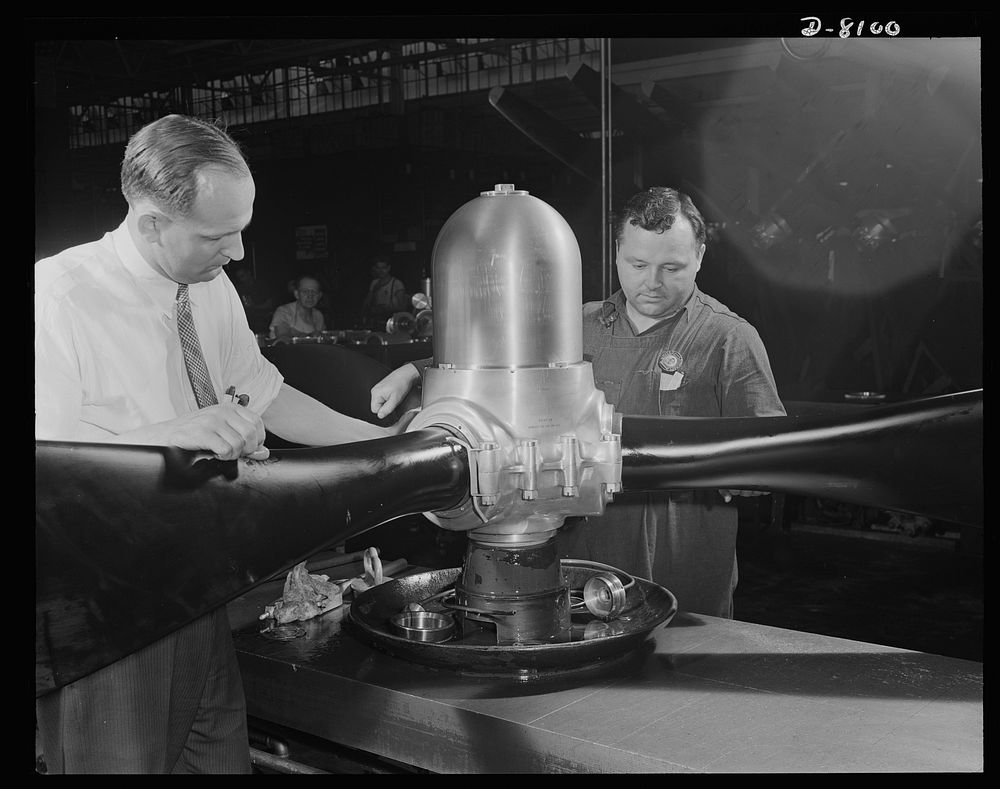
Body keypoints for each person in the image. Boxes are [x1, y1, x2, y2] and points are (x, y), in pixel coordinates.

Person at [34, 113, 402, 774]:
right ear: (150, 223)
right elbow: (49, 471)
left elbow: (268, 395)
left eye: (242, 228)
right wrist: (169, 436)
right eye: (218, 235)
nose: (236, 253)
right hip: (113, 613)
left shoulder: (210, 288)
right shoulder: (58, 300)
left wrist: (384, 444)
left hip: (203, 586)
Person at [369, 186, 786, 619]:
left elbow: (771, 455)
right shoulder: (576, 325)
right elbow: (497, 366)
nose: (652, 282)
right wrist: (414, 371)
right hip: (579, 573)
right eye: (637, 264)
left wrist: (751, 468)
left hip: (681, 575)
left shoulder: (728, 339)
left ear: (700, 255)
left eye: (672, 267)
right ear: (617, 251)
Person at [268, 274, 326, 340]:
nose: (310, 296)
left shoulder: (318, 316)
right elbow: (283, 338)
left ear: (319, 295)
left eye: (314, 292)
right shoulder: (284, 311)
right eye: (305, 291)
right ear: (296, 294)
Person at [360, 257, 408, 330]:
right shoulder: (374, 283)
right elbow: (366, 304)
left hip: (391, 322)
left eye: (383, 268)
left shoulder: (397, 284)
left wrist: (386, 309)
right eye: (378, 268)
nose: (381, 271)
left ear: (389, 268)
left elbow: (403, 307)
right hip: (377, 321)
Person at [229, 264, 274, 334]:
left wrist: (254, 306)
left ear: (248, 273)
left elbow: (269, 305)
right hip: (247, 320)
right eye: (239, 277)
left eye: (242, 276)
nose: (241, 279)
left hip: (263, 318)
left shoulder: (261, 285)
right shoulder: (240, 289)